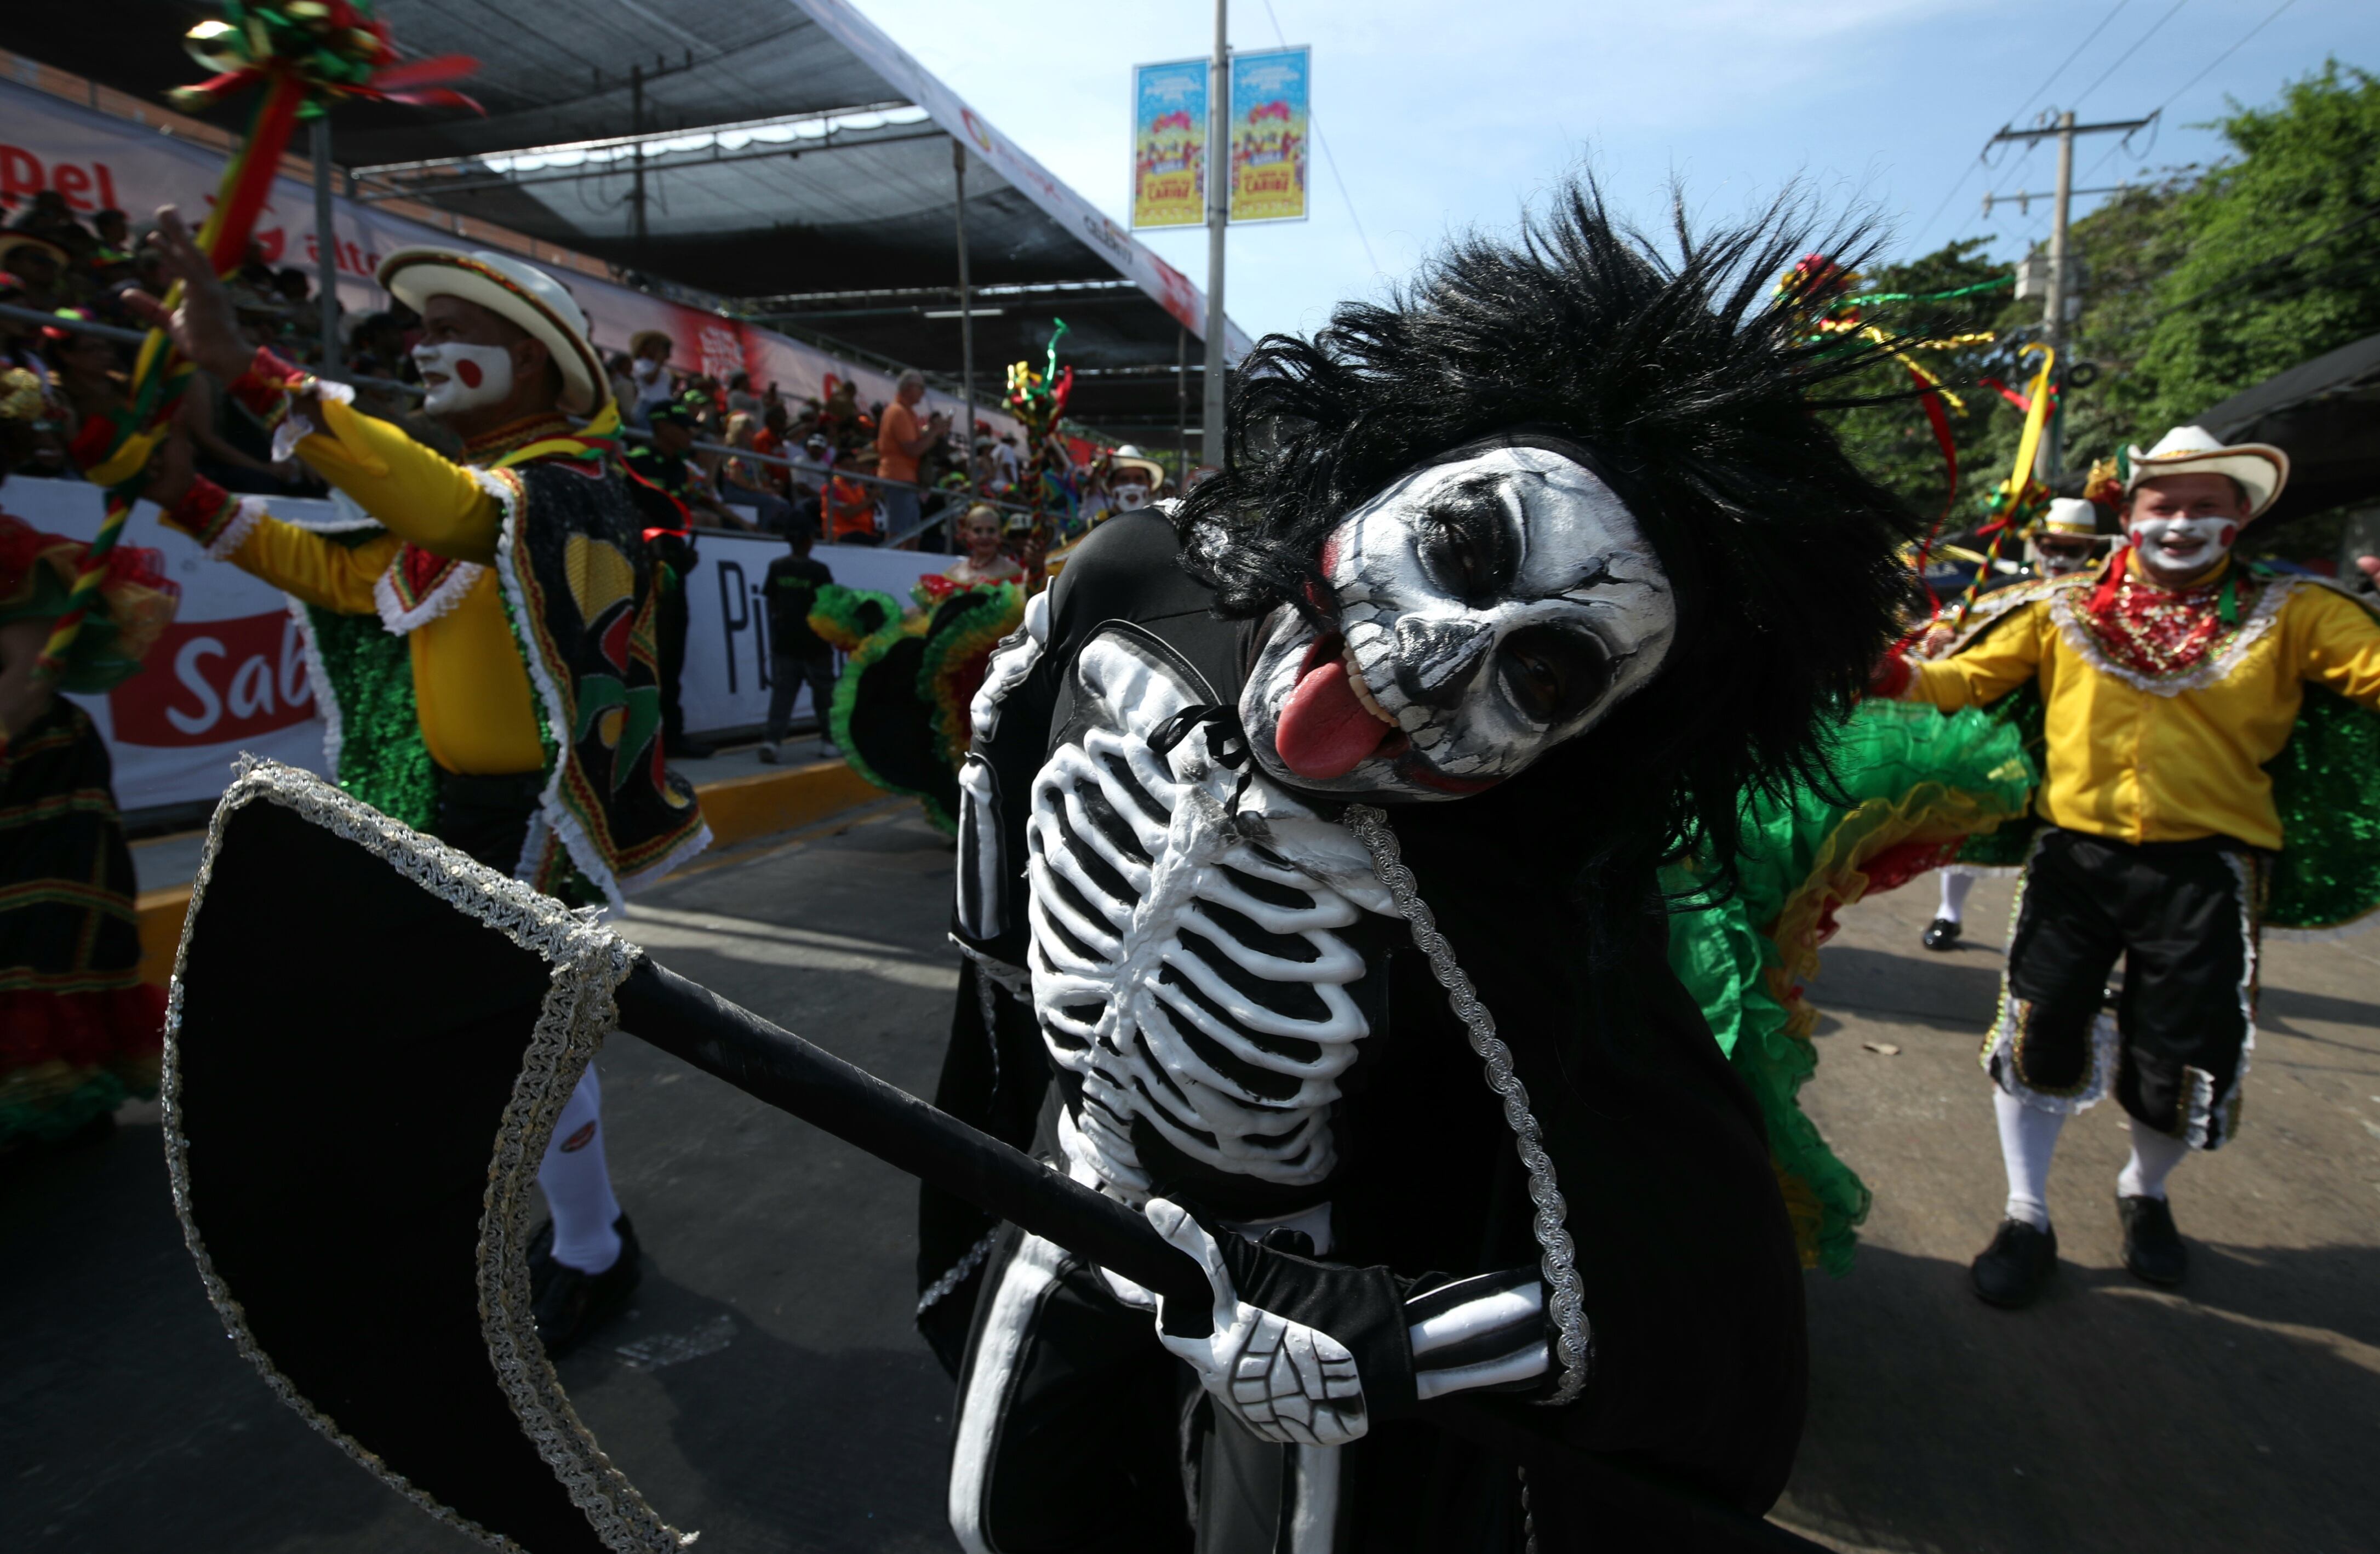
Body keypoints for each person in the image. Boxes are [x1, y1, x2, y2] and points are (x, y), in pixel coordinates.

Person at [923, 182, 1920, 1551]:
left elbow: (1668, 1260)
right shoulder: (1136, 581)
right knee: (1005, 1515)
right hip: (1071, 1177)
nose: (1436, 666)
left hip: (1292, 1270)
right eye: (1462, 547)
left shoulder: (1508, 868)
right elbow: (1004, 745)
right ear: (1385, 464)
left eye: (1545, 672)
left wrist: (1394, 1338)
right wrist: (988, 983)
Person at [134, 208, 708, 1354]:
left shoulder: (567, 489)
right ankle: (571, 1236)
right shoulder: (478, 491)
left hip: (539, 822)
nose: (425, 348)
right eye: (419, 331)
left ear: (535, 359)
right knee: (499, 1044)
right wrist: (184, 491)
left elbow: (437, 511)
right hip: (454, 817)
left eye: (453, 329)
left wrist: (253, 371)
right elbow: (337, 574)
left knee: (523, 1045)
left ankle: (593, 1248)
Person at [1880, 425, 2380, 1306]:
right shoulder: (2057, 606)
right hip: (2074, 860)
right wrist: (1878, 673)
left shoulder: (2296, 612)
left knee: (2186, 1057)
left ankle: (2145, 1194)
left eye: (2207, 508)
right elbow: (1959, 681)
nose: (2182, 522)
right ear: (2131, 514)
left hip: (2209, 873)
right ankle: (2026, 1211)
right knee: (2038, 1034)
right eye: (2165, 504)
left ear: (2241, 521)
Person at [0, 401, 179, 1155]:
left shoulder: (18, 559)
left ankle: (63, 1090)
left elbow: (24, 685)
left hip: (33, 764)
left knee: (38, 932)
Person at [1920, 496, 2108, 953]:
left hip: (2080, 731)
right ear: (2036, 543)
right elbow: (1947, 629)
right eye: (2051, 545)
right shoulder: (2004, 589)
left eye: (2072, 548)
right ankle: (1949, 913)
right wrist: (1941, 634)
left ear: (2090, 551)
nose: (2060, 557)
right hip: (1998, 729)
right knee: (1968, 821)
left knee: (2073, 844)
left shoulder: (2105, 596)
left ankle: (2069, 939)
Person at [625, 399, 743, 759]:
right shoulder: (638, 461)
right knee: (641, 655)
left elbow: (706, 501)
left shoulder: (685, 468)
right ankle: (637, 739)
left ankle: (671, 736)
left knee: (672, 654)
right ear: (662, 427)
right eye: (682, 427)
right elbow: (630, 506)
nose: (688, 434)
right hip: (642, 567)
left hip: (675, 567)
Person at [758, 525, 838, 764]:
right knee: (824, 697)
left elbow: (772, 603)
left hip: (786, 643)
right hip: (815, 644)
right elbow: (828, 606)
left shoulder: (777, 566)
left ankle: (772, 742)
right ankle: (829, 741)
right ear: (808, 542)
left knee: (783, 696)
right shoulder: (819, 570)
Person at [876, 368, 948, 545]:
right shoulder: (898, 412)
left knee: (913, 534)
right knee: (899, 533)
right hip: (898, 478)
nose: (923, 392)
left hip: (907, 479)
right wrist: (935, 433)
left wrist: (936, 434)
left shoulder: (906, 412)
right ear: (908, 388)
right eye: (921, 387)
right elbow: (914, 450)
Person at [941, 501, 1022, 586]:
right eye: (978, 531)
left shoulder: (1012, 572)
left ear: (1000, 534)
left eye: (991, 531)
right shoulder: (953, 572)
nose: (985, 537)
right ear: (967, 534)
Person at [626, 328, 675, 427]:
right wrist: (659, 363)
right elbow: (650, 380)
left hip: (663, 406)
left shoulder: (658, 367)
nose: (657, 348)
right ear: (644, 347)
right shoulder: (640, 364)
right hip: (648, 405)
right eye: (654, 345)